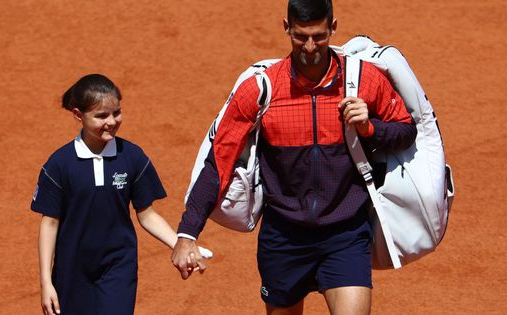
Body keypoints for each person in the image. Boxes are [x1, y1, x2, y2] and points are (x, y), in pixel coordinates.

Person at [172, 0, 417, 314]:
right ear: (287, 28)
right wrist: (187, 232)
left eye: (319, 36)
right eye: (301, 37)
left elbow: (405, 130)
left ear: (333, 27)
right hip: (283, 238)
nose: (311, 47)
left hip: (345, 233)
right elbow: (220, 160)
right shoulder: (261, 89)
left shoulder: (364, 80)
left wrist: (370, 128)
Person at [32, 74, 207, 315]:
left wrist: (180, 244)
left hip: (118, 265)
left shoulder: (132, 157)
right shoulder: (60, 164)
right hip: (72, 268)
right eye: (101, 116)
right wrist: (46, 282)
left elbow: (147, 214)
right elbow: (50, 223)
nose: (111, 121)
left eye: (116, 113)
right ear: (77, 115)